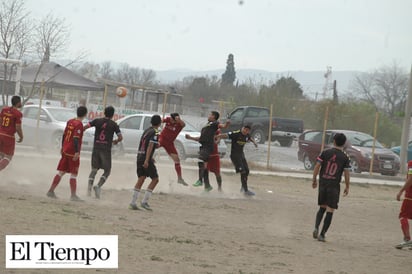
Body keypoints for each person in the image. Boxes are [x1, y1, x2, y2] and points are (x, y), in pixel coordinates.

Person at [312, 133, 350, 242]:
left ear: (333, 141)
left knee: (322, 207)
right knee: (330, 210)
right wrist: (347, 186)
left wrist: (314, 179)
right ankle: (322, 234)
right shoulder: (345, 157)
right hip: (334, 186)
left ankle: (316, 227)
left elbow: (317, 166)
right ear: (344, 143)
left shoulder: (325, 152)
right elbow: (347, 173)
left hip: (323, 183)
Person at [46, 106, 88, 201]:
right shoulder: (79, 124)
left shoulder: (70, 121)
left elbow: (64, 134)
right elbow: (76, 138)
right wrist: (77, 152)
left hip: (65, 149)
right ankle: (73, 196)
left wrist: (62, 147)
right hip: (72, 151)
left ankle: (51, 191)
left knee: (61, 172)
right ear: (85, 114)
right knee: (73, 173)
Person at [84, 106, 123, 199]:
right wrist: (116, 141)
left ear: (104, 112)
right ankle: (98, 186)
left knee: (94, 169)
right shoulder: (114, 124)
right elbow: (121, 137)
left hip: (96, 148)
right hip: (106, 150)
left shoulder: (97, 121)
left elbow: (85, 127)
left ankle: (88, 191)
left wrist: (79, 132)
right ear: (113, 115)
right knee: (107, 170)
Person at [185, 111, 229, 192]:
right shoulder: (206, 126)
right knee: (204, 169)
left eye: (210, 115)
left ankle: (219, 188)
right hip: (205, 150)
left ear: (214, 117)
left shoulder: (215, 126)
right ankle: (207, 187)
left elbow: (219, 136)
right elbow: (202, 138)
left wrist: (218, 139)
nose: (208, 116)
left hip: (213, 154)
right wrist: (191, 137)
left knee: (217, 173)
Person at [129, 114, 162, 211]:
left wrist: (149, 157)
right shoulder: (155, 132)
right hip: (145, 158)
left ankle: (133, 202)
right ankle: (144, 202)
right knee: (155, 179)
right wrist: (147, 159)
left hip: (140, 156)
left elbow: (144, 144)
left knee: (141, 178)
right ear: (159, 123)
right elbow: (150, 145)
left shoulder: (147, 130)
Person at [216, 125, 258, 196]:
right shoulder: (236, 133)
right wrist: (218, 136)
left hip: (241, 155)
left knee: (247, 171)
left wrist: (254, 142)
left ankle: (243, 187)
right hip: (235, 156)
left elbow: (250, 138)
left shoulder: (247, 135)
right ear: (242, 128)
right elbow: (226, 135)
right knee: (243, 172)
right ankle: (245, 190)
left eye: (247, 130)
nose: (245, 131)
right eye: (244, 129)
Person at [159, 112, 187, 186]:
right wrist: (160, 121)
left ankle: (180, 178)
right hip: (162, 138)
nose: (170, 119)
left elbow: (184, 125)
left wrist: (179, 120)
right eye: (170, 117)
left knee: (177, 160)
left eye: (172, 118)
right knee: (155, 145)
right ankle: (147, 158)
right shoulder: (168, 119)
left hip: (170, 143)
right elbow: (160, 121)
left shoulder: (179, 125)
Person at [0, 95, 23, 172]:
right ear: (18, 103)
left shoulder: (4, 110)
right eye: (20, 102)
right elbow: (18, 127)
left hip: (0, 134)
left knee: (1, 154)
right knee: (8, 157)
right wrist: (21, 136)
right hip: (9, 137)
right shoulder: (18, 113)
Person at [395, 160, 412, 249]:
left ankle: (407, 239)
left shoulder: (411, 163)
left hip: (410, 196)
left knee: (403, 216)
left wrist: (401, 191)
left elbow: (411, 179)